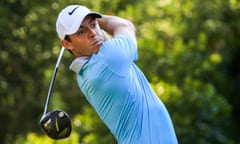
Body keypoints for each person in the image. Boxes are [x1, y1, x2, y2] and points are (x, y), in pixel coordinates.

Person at [56, 4, 178, 144]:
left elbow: (104, 43)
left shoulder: (84, 75)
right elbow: (125, 25)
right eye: (81, 32)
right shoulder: (109, 59)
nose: (92, 33)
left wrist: (85, 19)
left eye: (93, 25)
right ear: (67, 44)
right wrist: (98, 19)